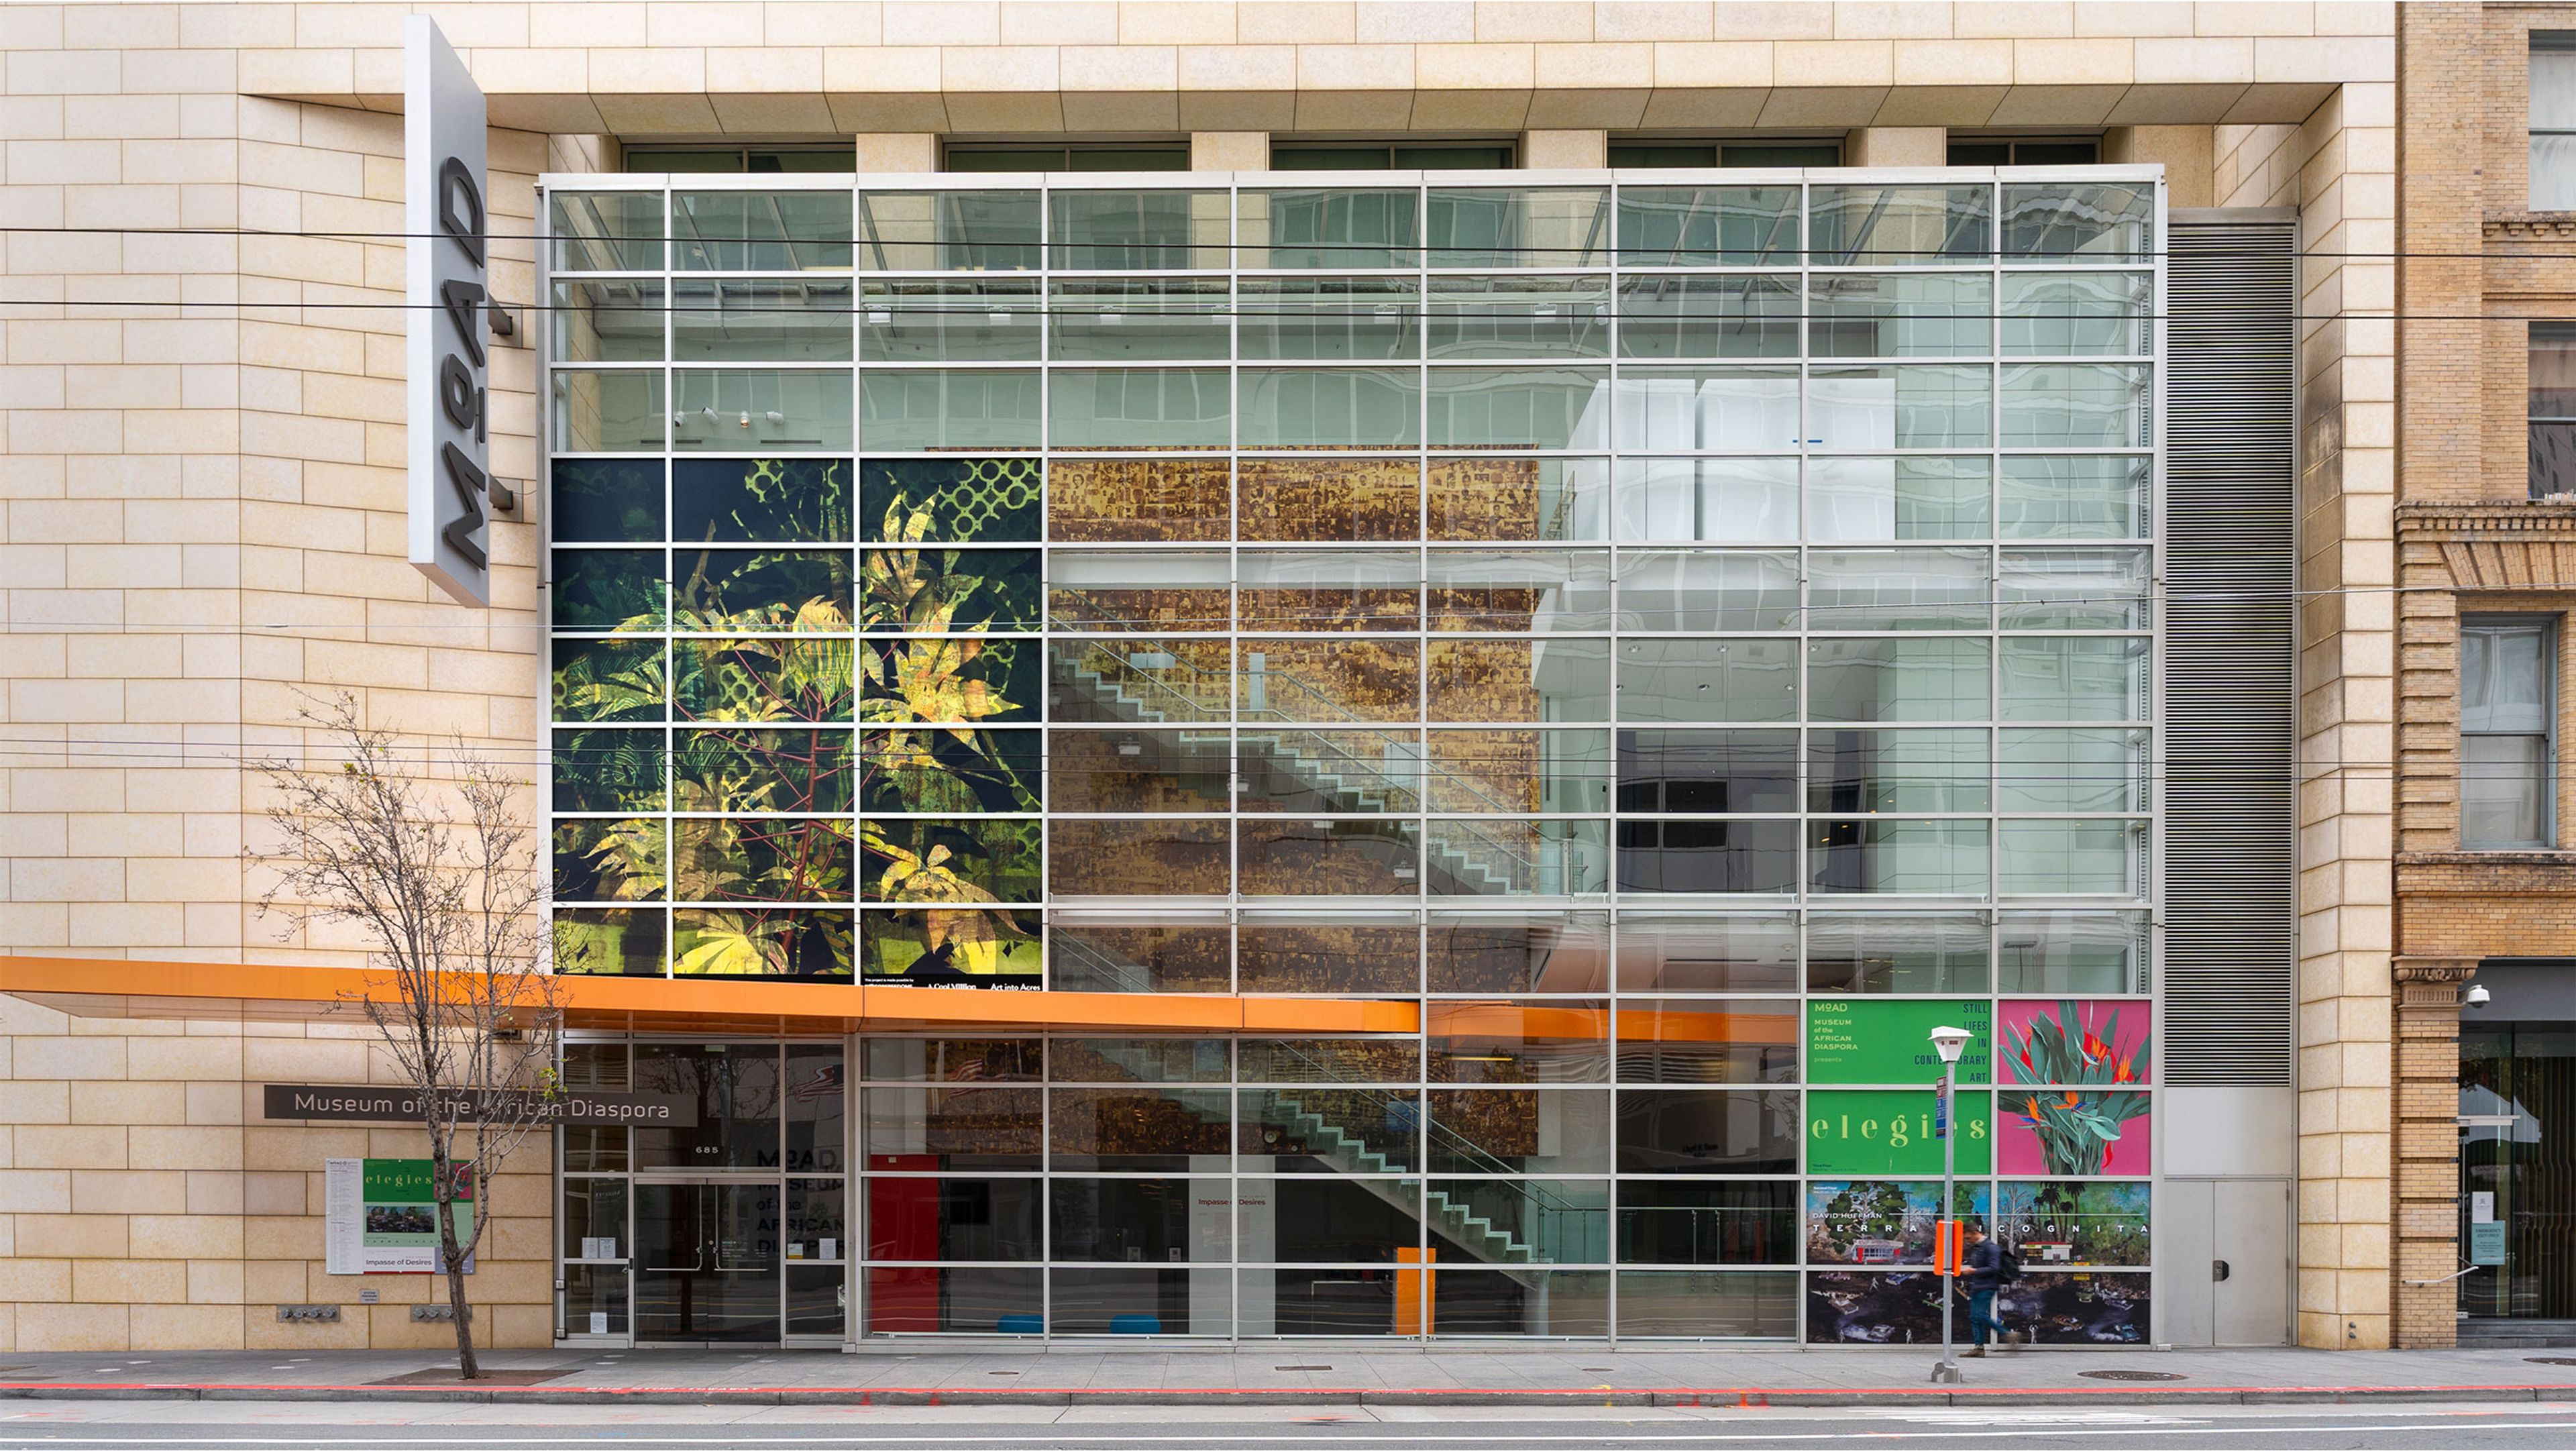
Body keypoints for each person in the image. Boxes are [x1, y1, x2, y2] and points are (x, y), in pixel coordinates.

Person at [1958, 1223, 2025, 1356]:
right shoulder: (1978, 1248)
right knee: (1974, 1317)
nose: (1967, 1241)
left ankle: (2007, 1334)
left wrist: (1974, 1271)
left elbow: (1994, 1268)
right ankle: (1979, 1347)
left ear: (1975, 1232)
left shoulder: (1990, 1248)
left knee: (1979, 1315)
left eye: (1968, 1238)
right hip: (1978, 1286)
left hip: (1987, 1286)